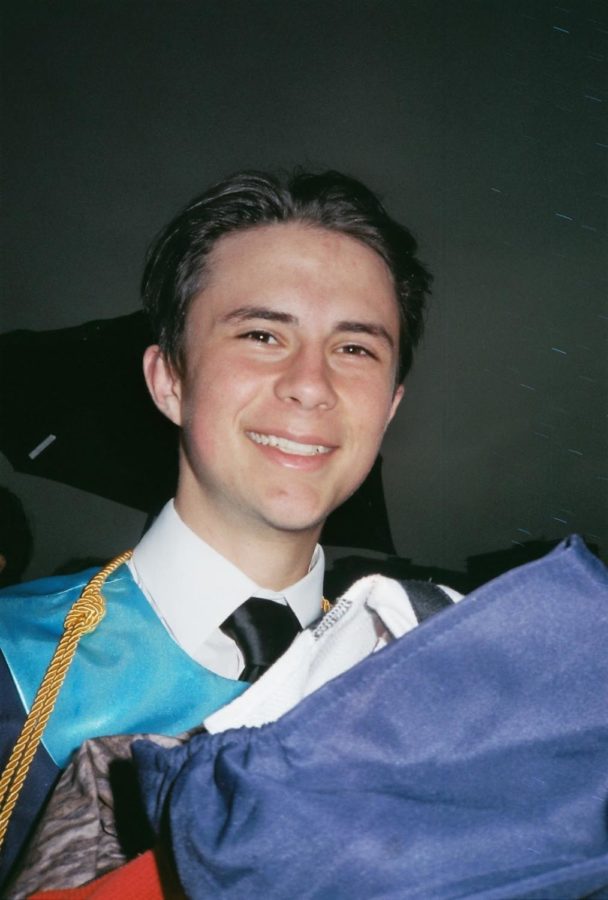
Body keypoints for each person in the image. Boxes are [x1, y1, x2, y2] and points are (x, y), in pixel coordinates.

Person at [0, 169, 442, 883]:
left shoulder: (418, 691)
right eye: (263, 333)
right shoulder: (15, 662)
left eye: (355, 348)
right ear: (169, 379)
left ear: (388, 407)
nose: (311, 383)